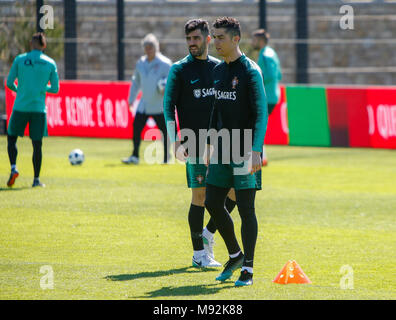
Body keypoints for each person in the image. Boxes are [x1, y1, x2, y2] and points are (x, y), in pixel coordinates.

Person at [164, 19, 237, 268]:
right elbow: (168, 107)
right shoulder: (179, 70)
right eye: (188, 39)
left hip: (220, 142)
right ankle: (199, 255)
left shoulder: (219, 68)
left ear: (207, 39)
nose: (192, 43)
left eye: (196, 38)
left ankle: (208, 233)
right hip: (192, 141)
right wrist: (174, 138)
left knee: (234, 192)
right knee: (201, 195)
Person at [204, 17, 268, 286]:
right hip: (221, 147)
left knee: (246, 209)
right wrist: (208, 145)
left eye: (220, 37)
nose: (215, 42)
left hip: (245, 147)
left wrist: (256, 150)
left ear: (235, 39)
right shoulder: (218, 71)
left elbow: (261, 114)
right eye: (214, 37)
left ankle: (249, 270)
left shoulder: (251, 71)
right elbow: (215, 111)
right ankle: (235, 254)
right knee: (212, 201)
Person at [6, 32, 59, 188]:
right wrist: (42, 88)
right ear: (44, 45)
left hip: (20, 106)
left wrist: (20, 90)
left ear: (31, 44)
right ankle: (36, 180)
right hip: (38, 108)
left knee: (11, 138)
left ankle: (14, 168)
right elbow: (55, 89)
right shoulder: (50, 63)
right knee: (37, 144)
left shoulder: (20, 59)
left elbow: (9, 83)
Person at [122, 33, 172, 165]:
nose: (148, 49)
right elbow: (136, 82)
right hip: (144, 104)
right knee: (136, 128)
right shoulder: (141, 63)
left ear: (157, 47)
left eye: (151, 46)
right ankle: (134, 156)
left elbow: (171, 83)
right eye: (146, 46)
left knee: (165, 131)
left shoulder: (165, 64)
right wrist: (131, 99)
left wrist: (165, 88)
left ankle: (166, 157)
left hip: (159, 105)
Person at [251, 29, 282, 166]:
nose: (253, 42)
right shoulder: (272, 53)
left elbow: (268, 75)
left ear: (260, 40)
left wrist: (255, 83)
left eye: (254, 40)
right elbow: (279, 74)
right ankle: (262, 156)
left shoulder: (264, 55)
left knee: (256, 125)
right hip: (274, 94)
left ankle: (261, 157)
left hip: (266, 97)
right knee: (258, 124)